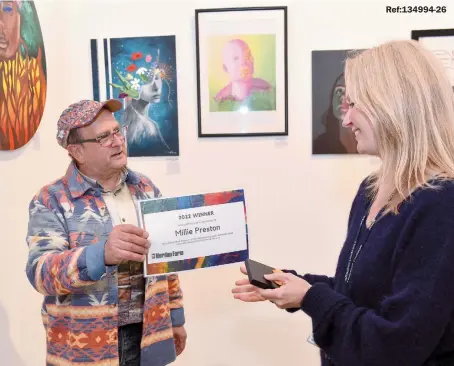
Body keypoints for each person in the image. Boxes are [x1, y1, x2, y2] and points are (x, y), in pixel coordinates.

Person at [232, 39, 454, 366]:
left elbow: (398, 343)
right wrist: (296, 286)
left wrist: (310, 296)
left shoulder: (440, 204)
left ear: (392, 104)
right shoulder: (371, 190)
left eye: (353, 104)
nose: (345, 119)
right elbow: (359, 291)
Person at [25, 99, 187, 366]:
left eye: (116, 131)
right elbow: (41, 273)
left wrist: (176, 317)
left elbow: (166, 261)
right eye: (103, 137)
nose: (117, 141)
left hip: (148, 336)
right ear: (77, 151)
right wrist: (103, 254)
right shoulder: (51, 199)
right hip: (83, 348)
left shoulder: (146, 188)